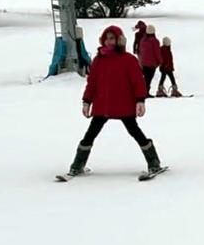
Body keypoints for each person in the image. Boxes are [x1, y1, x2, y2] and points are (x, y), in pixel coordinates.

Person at [61, 25, 163, 178]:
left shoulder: (128, 60)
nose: (109, 41)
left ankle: (153, 162)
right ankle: (77, 165)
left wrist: (140, 101)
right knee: (90, 134)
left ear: (119, 40)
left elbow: (138, 82)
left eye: (112, 38)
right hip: (102, 105)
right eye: (106, 39)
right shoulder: (98, 61)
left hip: (124, 105)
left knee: (135, 132)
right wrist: (86, 101)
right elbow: (92, 83)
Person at [138, 24, 162, 97]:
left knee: (145, 78)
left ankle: (143, 92)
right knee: (148, 79)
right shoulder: (155, 41)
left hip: (143, 63)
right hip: (151, 64)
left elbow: (140, 51)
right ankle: (146, 92)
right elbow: (157, 52)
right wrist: (160, 61)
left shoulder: (142, 40)